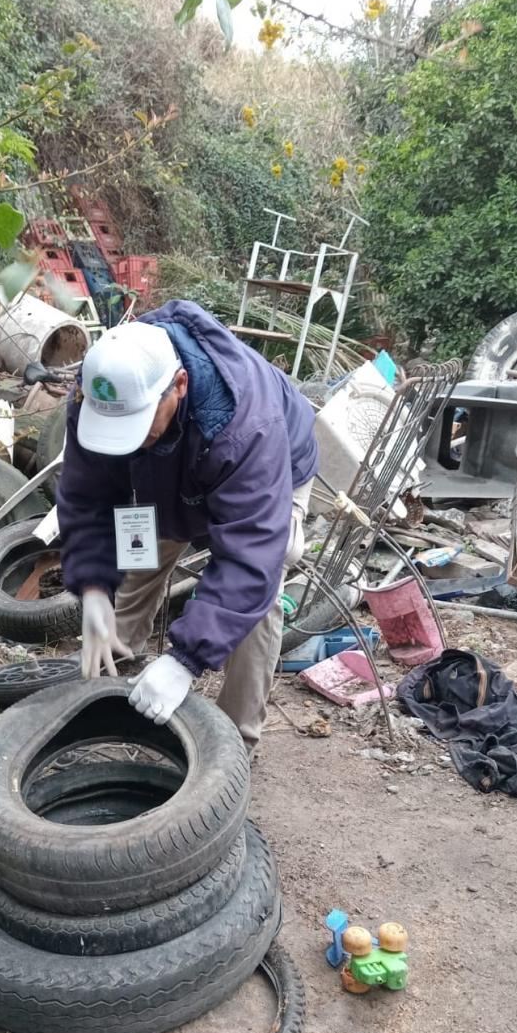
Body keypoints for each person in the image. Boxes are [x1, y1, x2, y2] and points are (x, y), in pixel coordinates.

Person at [56, 300, 319, 751]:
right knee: (137, 568)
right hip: (165, 473)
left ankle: (233, 746)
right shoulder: (101, 390)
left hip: (269, 470)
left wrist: (185, 660)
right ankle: (106, 702)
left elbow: (251, 551)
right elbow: (87, 496)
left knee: (258, 594)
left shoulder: (247, 422)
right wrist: (95, 586)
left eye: (139, 424)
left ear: (179, 384)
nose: (130, 437)